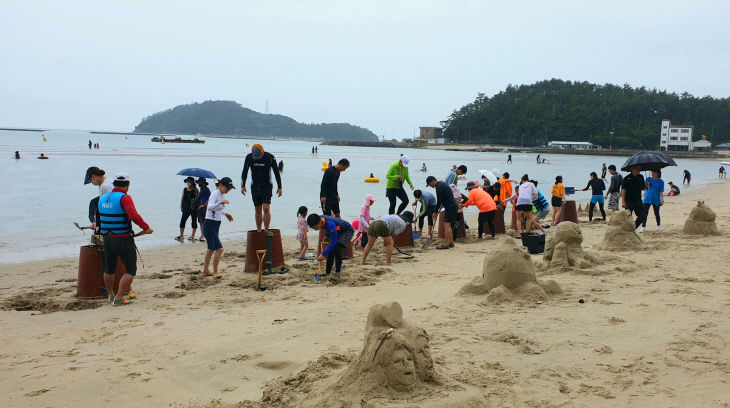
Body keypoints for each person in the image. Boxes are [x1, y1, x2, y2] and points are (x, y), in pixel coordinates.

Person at [98, 173, 153, 306]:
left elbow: (100, 218)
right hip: (122, 238)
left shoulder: (103, 198)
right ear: (127, 185)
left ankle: (110, 295)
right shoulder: (125, 198)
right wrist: (146, 228)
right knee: (130, 269)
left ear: (114, 184)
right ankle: (119, 298)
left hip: (107, 239)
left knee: (109, 268)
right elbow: (133, 215)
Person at [241, 144, 282, 233]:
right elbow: (245, 171)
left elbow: (276, 172)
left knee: (266, 208)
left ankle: (266, 229)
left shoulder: (270, 157)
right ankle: (259, 230)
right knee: (258, 209)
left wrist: (280, 187)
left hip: (267, 185)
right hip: (255, 186)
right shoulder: (249, 157)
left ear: (263, 151)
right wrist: (243, 185)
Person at [203, 177, 235, 278]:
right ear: (220, 185)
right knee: (219, 249)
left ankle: (205, 271)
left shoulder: (221, 195)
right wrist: (220, 203)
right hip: (209, 224)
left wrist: (226, 214)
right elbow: (209, 207)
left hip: (216, 223)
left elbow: (218, 210)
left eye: (230, 189)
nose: (228, 190)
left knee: (211, 249)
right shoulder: (215, 193)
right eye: (227, 188)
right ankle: (215, 272)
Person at [307, 214, 354, 281]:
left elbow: (334, 242)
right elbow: (327, 229)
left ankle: (337, 274)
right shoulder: (319, 219)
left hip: (346, 231)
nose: (315, 229)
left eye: (315, 227)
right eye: (313, 228)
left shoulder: (330, 224)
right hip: (337, 230)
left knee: (337, 249)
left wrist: (323, 254)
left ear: (320, 222)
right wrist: (327, 236)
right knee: (330, 251)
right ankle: (327, 273)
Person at [426, 176, 458, 249]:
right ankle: (451, 242)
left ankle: (446, 244)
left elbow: (439, 200)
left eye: (430, 184)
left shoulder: (439, 187)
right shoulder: (442, 184)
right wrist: (440, 208)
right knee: (448, 225)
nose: (431, 186)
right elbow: (444, 198)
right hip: (452, 206)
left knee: (446, 225)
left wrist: (435, 212)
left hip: (450, 207)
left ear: (433, 181)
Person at [84, 166, 115, 231]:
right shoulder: (105, 184)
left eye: (91, 180)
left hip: (111, 223)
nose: (92, 182)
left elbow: (113, 204)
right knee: (93, 201)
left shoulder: (106, 186)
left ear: (93, 176)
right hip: (108, 222)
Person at [177, 177, 199, 242]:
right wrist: (181, 206)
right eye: (187, 181)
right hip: (185, 208)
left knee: (194, 222)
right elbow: (182, 198)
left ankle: (193, 235)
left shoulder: (196, 189)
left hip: (193, 208)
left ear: (192, 182)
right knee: (182, 222)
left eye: (189, 181)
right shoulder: (185, 189)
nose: (188, 183)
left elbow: (198, 198)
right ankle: (181, 235)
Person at [195, 178, 211, 242]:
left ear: (203, 183)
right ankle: (202, 234)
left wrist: (204, 205)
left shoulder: (206, 189)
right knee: (201, 222)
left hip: (204, 207)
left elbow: (209, 197)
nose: (198, 184)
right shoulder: (202, 189)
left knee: (204, 221)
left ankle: (204, 235)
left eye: (199, 183)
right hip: (200, 207)